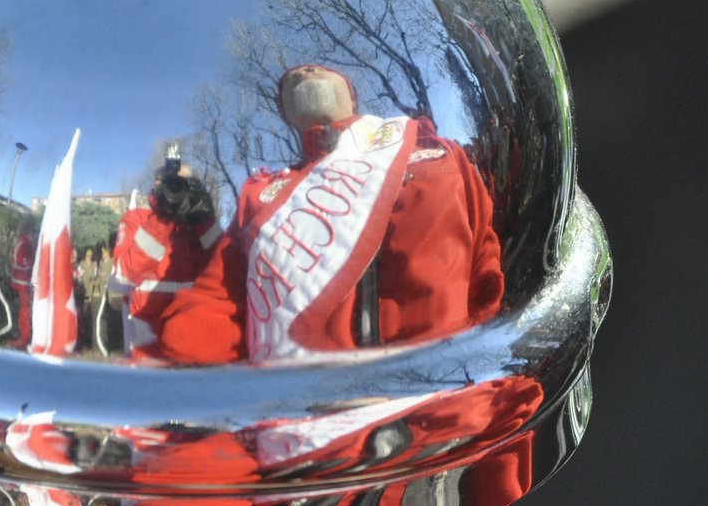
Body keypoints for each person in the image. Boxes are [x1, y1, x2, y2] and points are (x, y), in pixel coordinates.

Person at [158, 65, 503, 364]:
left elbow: (487, 271)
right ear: (285, 113)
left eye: (318, 69)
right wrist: (171, 381)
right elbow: (218, 302)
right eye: (290, 80)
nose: (304, 72)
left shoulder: (436, 152)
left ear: (352, 97)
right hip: (300, 420)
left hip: (440, 407)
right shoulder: (259, 195)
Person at [109, 145, 221, 360]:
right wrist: (161, 219)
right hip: (147, 333)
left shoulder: (196, 222)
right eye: (167, 181)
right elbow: (123, 274)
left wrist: (204, 219)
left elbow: (223, 264)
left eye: (181, 182)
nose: (174, 186)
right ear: (156, 183)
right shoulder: (137, 218)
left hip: (194, 326)